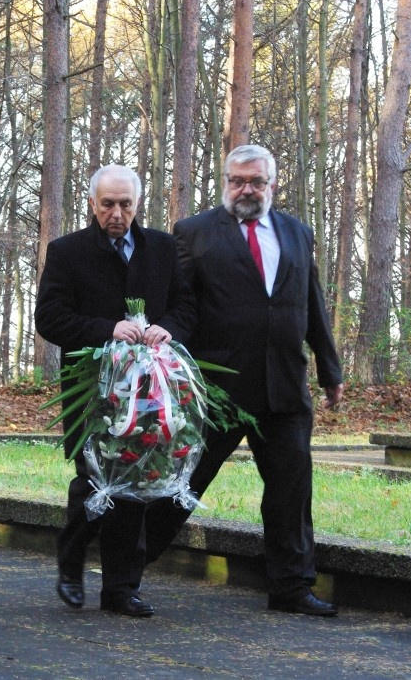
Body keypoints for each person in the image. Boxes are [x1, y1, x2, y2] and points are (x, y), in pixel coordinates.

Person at [144, 144, 344, 616]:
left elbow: (311, 304)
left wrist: (330, 369)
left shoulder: (298, 233)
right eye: (237, 180)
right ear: (225, 181)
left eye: (256, 181)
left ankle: (292, 588)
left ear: (273, 184)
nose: (246, 189)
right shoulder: (193, 233)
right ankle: (125, 569)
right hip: (217, 390)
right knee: (182, 485)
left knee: (291, 492)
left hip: (284, 388)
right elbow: (183, 307)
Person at [35, 164, 195, 617]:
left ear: (138, 204)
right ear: (92, 204)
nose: (117, 213)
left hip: (151, 391)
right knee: (95, 481)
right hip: (93, 393)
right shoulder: (67, 252)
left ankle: (121, 589)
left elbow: (187, 305)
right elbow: (49, 319)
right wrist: (108, 330)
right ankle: (72, 558)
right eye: (108, 204)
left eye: (126, 204)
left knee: (138, 481)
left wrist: (167, 329)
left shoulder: (163, 248)